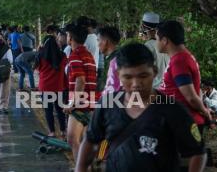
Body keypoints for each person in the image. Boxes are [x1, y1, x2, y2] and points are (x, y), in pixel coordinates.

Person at [76, 43, 206, 172]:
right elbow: (90, 140)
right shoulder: (107, 104)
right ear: (118, 74)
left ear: (154, 72)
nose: (136, 84)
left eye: (143, 76)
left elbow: (198, 152)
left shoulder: (173, 110)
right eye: (128, 77)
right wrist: (80, 168)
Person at [157, 20, 212, 131]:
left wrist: (206, 113)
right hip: (178, 120)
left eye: (157, 39)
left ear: (164, 40)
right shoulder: (182, 57)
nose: (156, 42)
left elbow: (191, 97)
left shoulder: (179, 61)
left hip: (183, 123)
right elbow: (196, 90)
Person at [64, 24, 97, 162]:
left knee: (72, 139)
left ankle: (81, 168)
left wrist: (72, 103)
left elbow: (80, 80)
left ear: (70, 37)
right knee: (84, 141)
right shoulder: (88, 54)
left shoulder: (75, 55)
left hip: (80, 104)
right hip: (90, 102)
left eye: (66, 35)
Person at [37, 25, 68, 138]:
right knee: (60, 110)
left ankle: (52, 132)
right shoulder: (63, 56)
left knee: (48, 111)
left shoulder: (40, 56)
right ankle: (64, 131)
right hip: (58, 87)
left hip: (45, 87)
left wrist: (40, 50)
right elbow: (65, 66)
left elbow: (37, 69)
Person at [141, 12, 170, 88]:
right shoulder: (166, 44)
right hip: (167, 89)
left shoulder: (148, 46)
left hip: (154, 90)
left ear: (144, 27)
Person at [97, 26, 121, 94]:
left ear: (105, 42)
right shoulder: (111, 57)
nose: (97, 44)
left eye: (98, 40)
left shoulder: (115, 60)